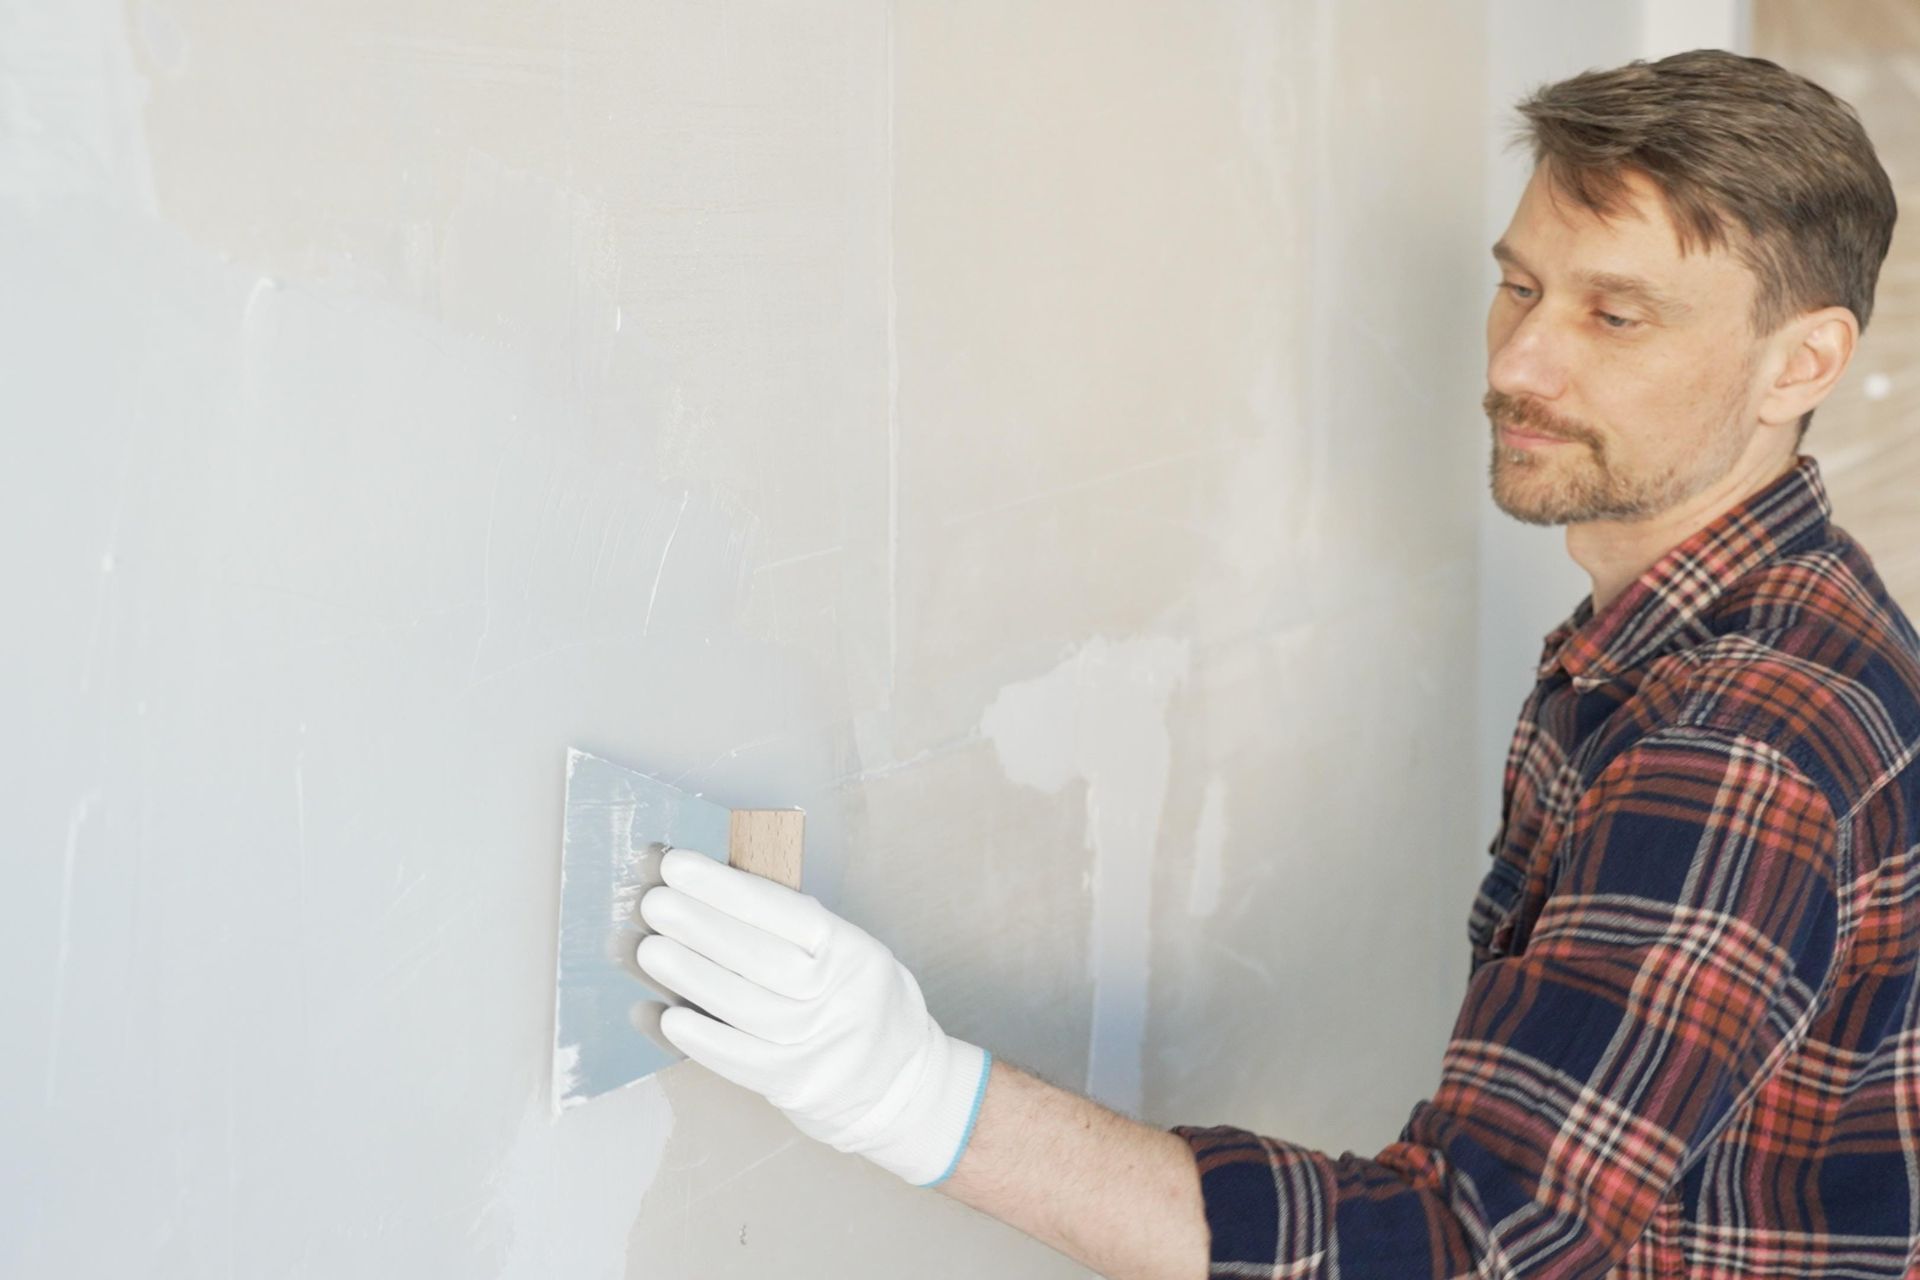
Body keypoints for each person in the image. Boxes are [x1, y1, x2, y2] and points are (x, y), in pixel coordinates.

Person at [633, 48, 1920, 1279]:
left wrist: (907, 1094)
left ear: (1799, 363)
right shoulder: (1728, 632)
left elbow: (1466, 1247)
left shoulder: (1742, 734)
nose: (1519, 360)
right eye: (1519, 285)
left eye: (1616, 313)